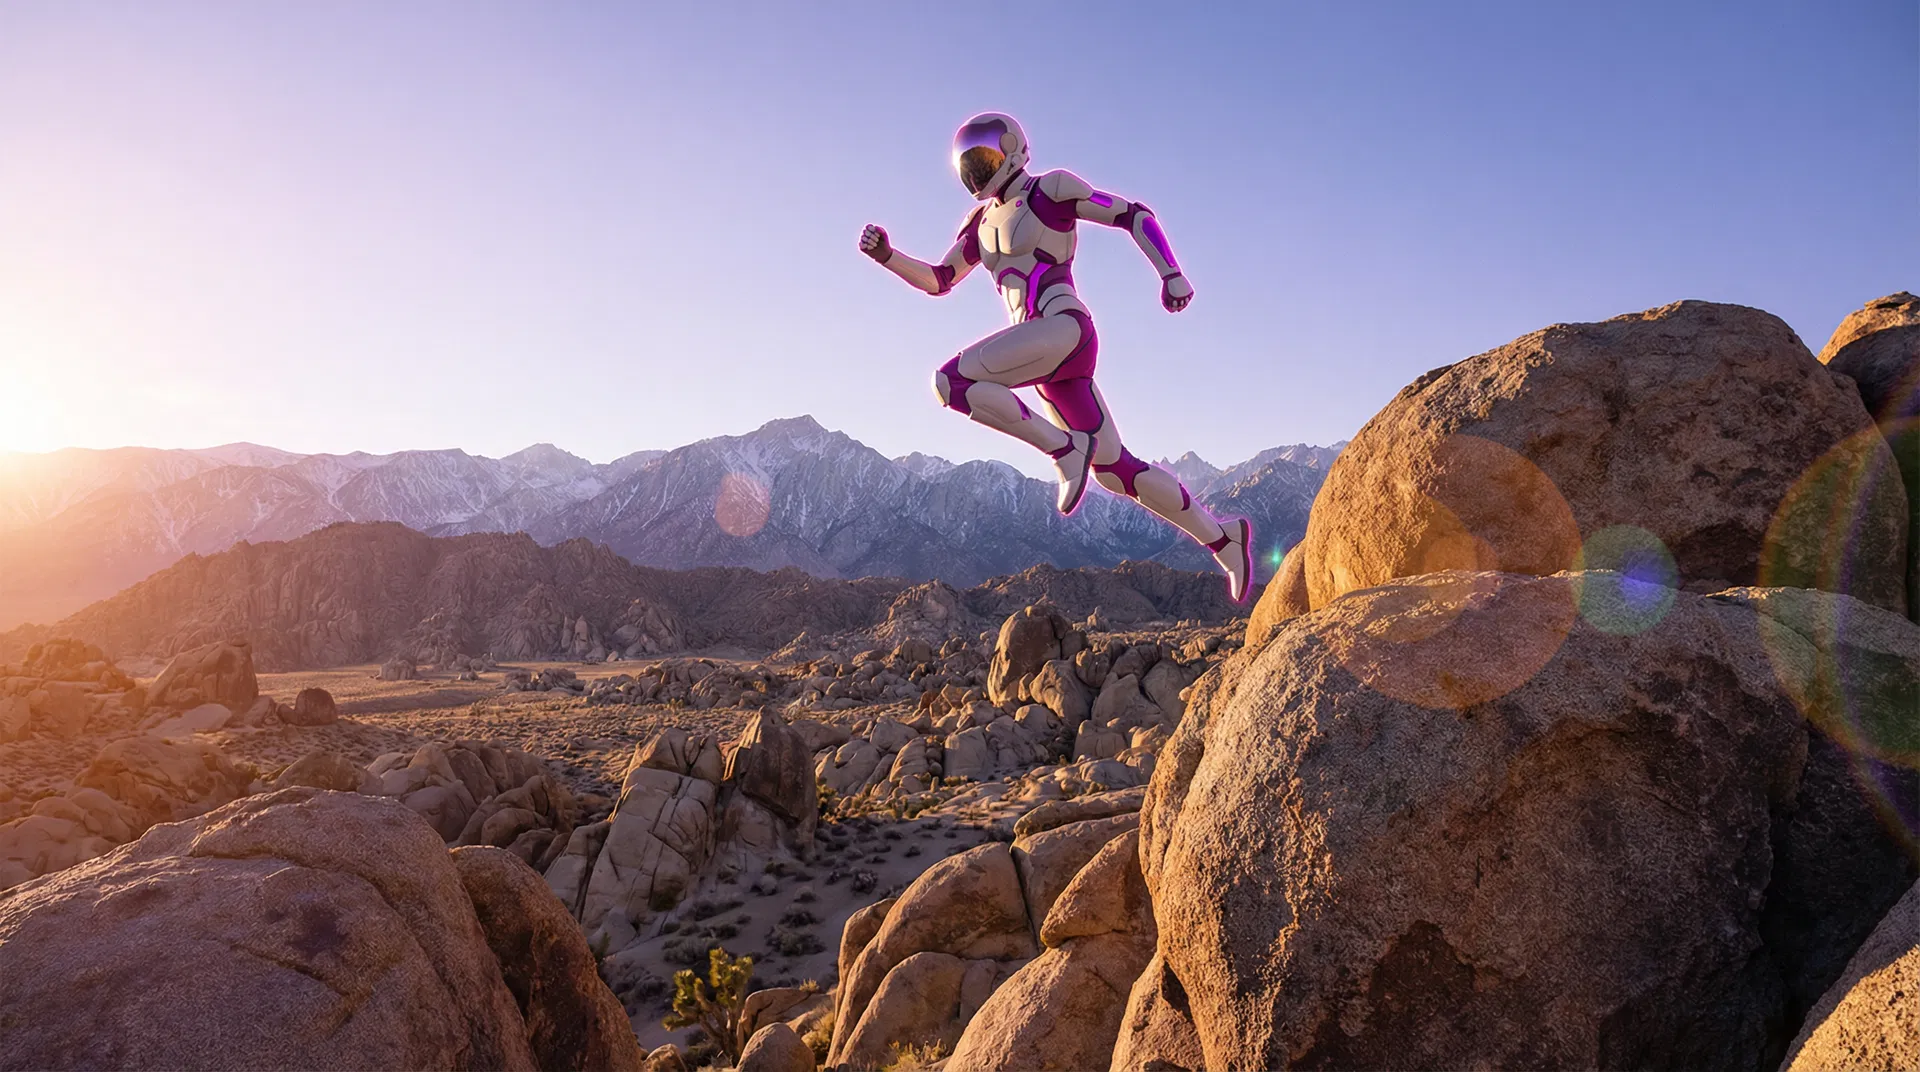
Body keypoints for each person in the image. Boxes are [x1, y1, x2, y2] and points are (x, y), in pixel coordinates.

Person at [859, 111, 1254, 602]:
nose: (977, 173)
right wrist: (888, 257)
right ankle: (1222, 537)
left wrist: (1170, 272)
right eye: (969, 166)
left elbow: (1133, 214)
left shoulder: (1054, 190)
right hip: (1046, 364)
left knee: (950, 383)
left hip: (1064, 329)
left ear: (1013, 147)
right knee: (1116, 471)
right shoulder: (978, 225)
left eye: (984, 159)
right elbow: (940, 281)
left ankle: (1063, 449)